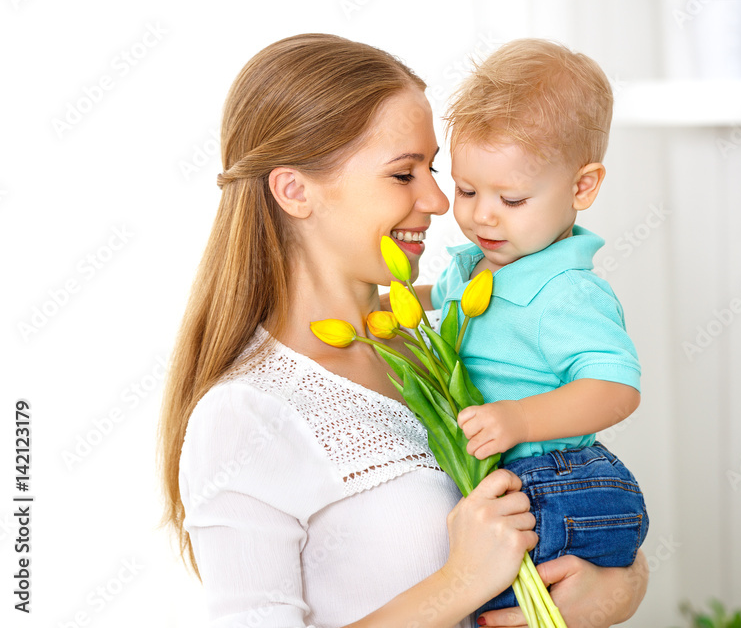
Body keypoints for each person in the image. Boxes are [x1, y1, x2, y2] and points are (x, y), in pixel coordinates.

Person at [156, 33, 648, 628]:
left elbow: (568, 498)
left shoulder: (441, 338)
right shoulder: (250, 415)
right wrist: (460, 584)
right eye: (402, 174)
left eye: (434, 169)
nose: (441, 201)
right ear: (294, 190)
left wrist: (619, 588)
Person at [427, 39, 649, 614]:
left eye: (512, 197)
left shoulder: (564, 292)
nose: (481, 214)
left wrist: (520, 418)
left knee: (493, 607)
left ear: (582, 187)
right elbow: (455, 304)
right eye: (467, 190)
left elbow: (616, 388)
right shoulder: (482, 264)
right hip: (505, 477)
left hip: (558, 480)